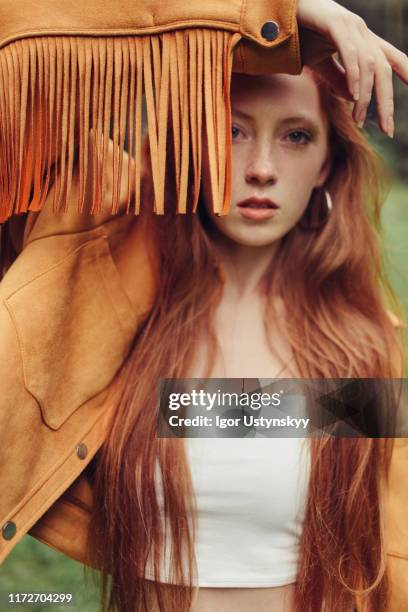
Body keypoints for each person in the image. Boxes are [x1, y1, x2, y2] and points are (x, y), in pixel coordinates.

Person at [0, 1, 407, 611]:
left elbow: (385, 546)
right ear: (190, 135)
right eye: (233, 131)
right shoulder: (100, 261)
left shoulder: (362, 338)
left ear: (326, 163)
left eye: (295, 136)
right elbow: (22, 39)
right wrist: (265, 20)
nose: (263, 169)